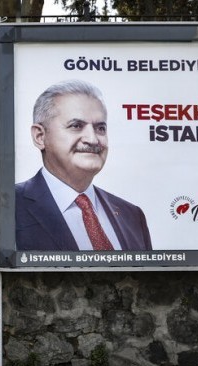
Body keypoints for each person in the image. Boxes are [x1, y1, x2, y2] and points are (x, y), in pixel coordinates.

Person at [15, 80, 152, 251]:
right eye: (76, 126)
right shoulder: (7, 207)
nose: (93, 139)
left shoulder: (132, 216)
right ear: (40, 136)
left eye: (100, 128)